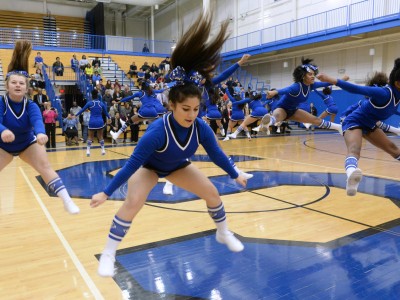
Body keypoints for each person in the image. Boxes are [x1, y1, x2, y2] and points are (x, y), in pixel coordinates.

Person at [91, 11, 247, 277]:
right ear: (171, 105)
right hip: (149, 169)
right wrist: (106, 192)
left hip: (177, 166)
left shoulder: (200, 127)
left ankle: (223, 233)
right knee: (133, 202)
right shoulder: (156, 132)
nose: (191, 114)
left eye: (197, 109)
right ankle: (109, 253)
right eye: (186, 108)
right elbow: (132, 165)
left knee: (212, 194)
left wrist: (235, 173)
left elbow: (217, 154)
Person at [0, 40, 79, 214]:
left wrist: (41, 133)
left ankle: (67, 201)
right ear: (7, 85)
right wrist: (3, 130)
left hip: (27, 143)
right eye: (14, 83)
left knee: (45, 167)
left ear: (26, 87)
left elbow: (37, 121)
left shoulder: (32, 105)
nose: (18, 85)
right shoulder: (1, 102)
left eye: (21, 83)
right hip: (3, 146)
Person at [317, 65, 400, 196]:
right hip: (354, 121)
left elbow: (394, 110)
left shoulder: (397, 97)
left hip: (370, 124)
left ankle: (351, 176)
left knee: (394, 149)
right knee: (355, 149)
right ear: (398, 83)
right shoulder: (384, 93)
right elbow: (356, 89)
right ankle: (351, 177)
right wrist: (331, 79)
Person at [252, 58, 344, 134]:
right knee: (276, 117)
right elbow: (285, 90)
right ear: (303, 76)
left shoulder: (311, 85)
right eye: (310, 74)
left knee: (316, 120)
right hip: (282, 108)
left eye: (313, 74)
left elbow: (326, 83)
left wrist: (340, 81)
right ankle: (266, 124)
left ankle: (339, 127)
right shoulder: (296, 86)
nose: (313, 76)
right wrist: (274, 92)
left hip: (294, 110)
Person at [75, 90, 110, 156]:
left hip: (92, 121)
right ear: (97, 95)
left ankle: (88, 151)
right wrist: (109, 118)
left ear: (92, 96)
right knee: (100, 136)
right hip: (100, 121)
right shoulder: (101, 103)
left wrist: (76, 115)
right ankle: (103, 150)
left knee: (90, 136)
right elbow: (106, 113)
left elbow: (82, 110)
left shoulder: (90, 103)